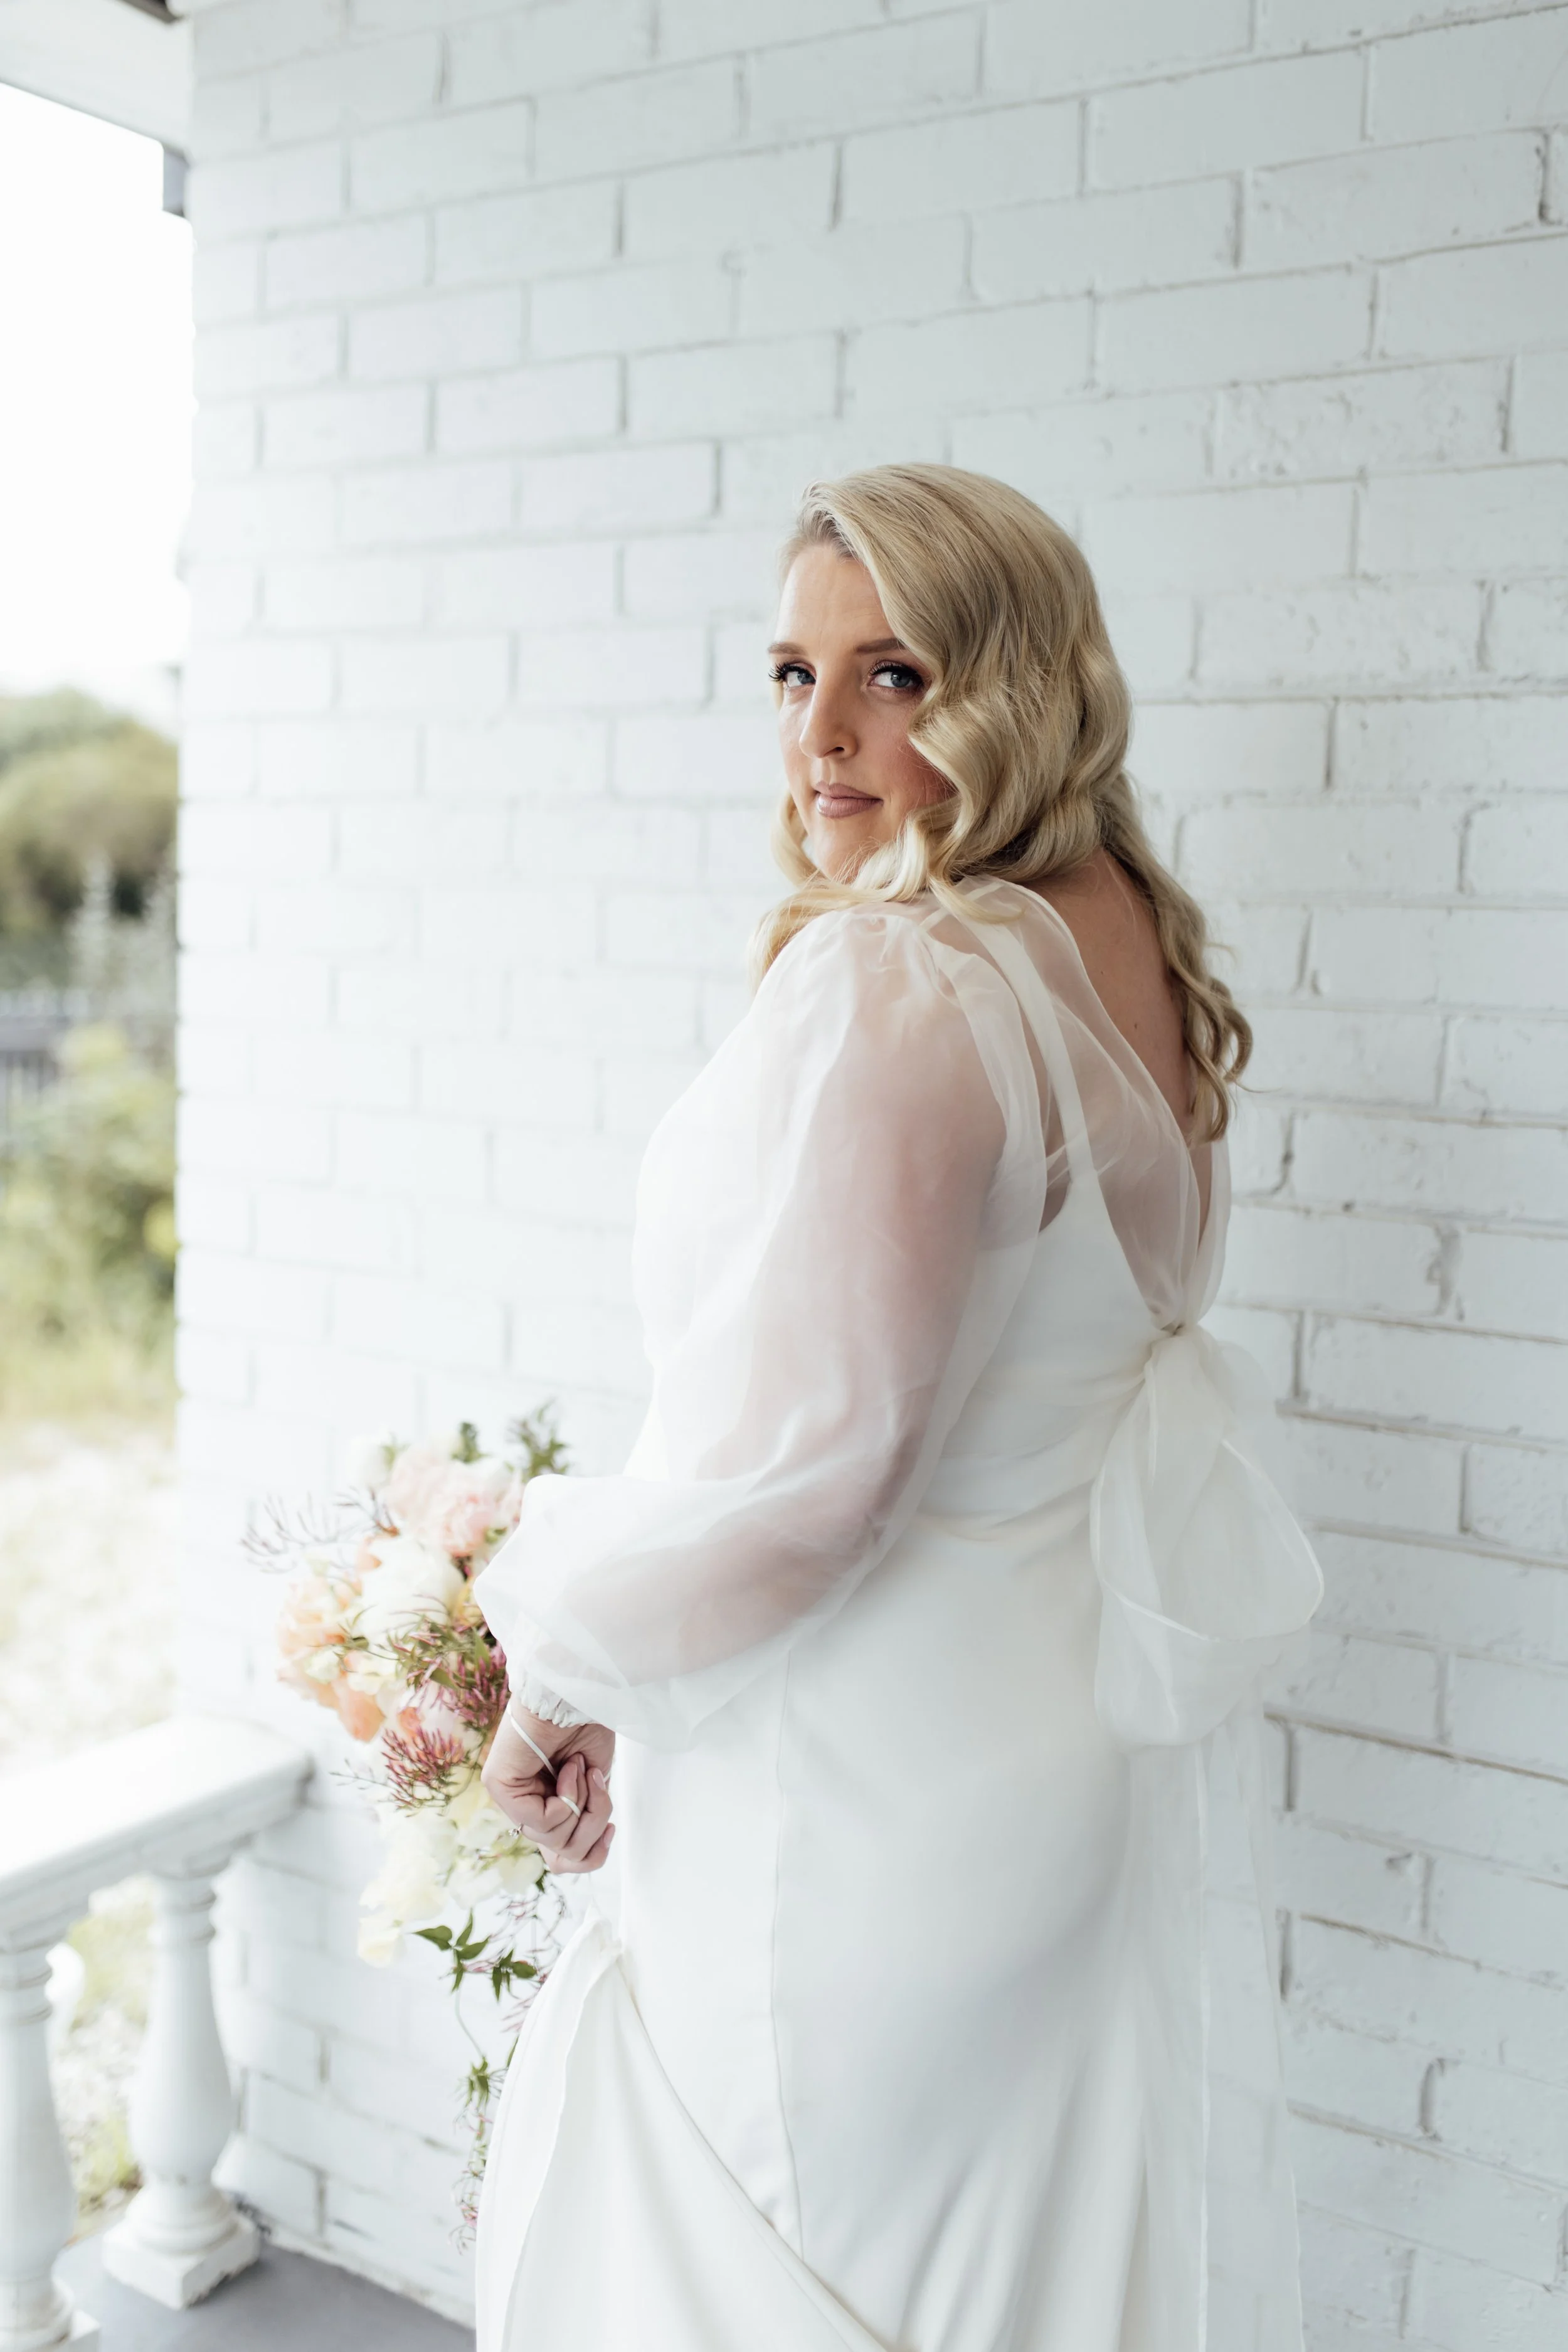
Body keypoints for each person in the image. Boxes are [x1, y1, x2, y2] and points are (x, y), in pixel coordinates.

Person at [474, 464, 1323, 2352]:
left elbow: (814, 1486)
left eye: (895, 672)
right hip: (1051, 1783)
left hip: (844, 1814)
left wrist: (562, 1669)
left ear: (1013, 684)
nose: (823, 735)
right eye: (794, 673)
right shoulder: (1131, 945)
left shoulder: (911, 977)